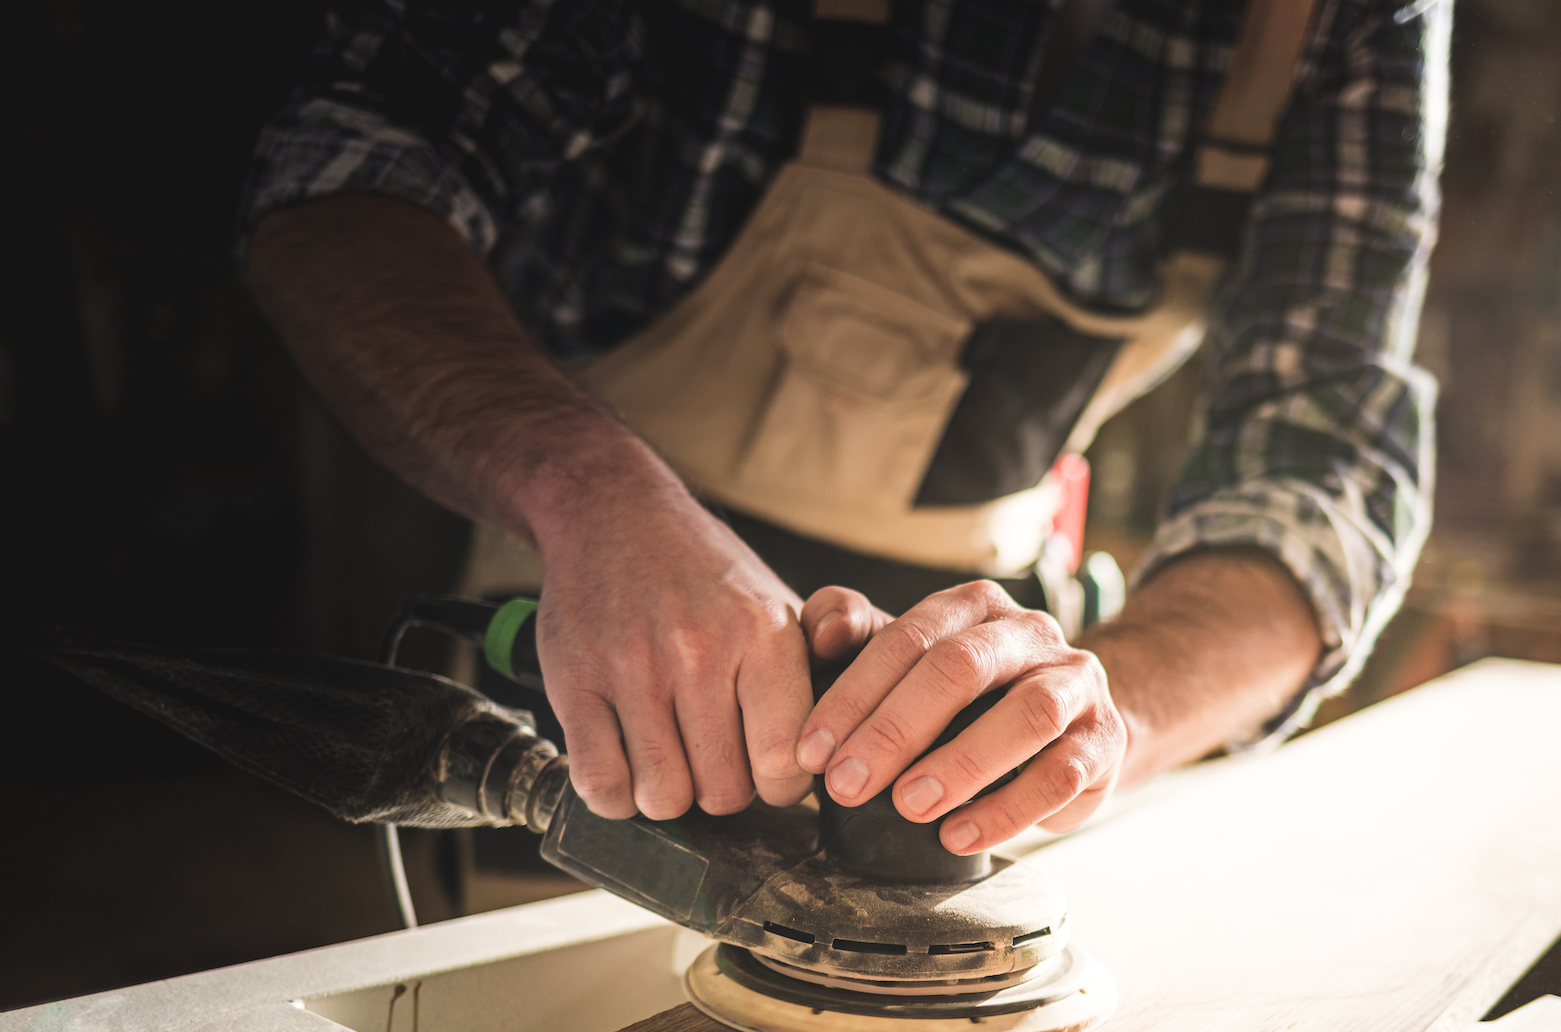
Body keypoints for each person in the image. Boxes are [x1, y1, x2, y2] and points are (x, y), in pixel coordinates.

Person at [242, 0, 1445, 857]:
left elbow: (1324, 459)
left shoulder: (1345, 17)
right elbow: (345, 176)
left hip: (972, 655)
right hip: (600, 618)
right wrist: (589, 490)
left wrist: (1106, 716)